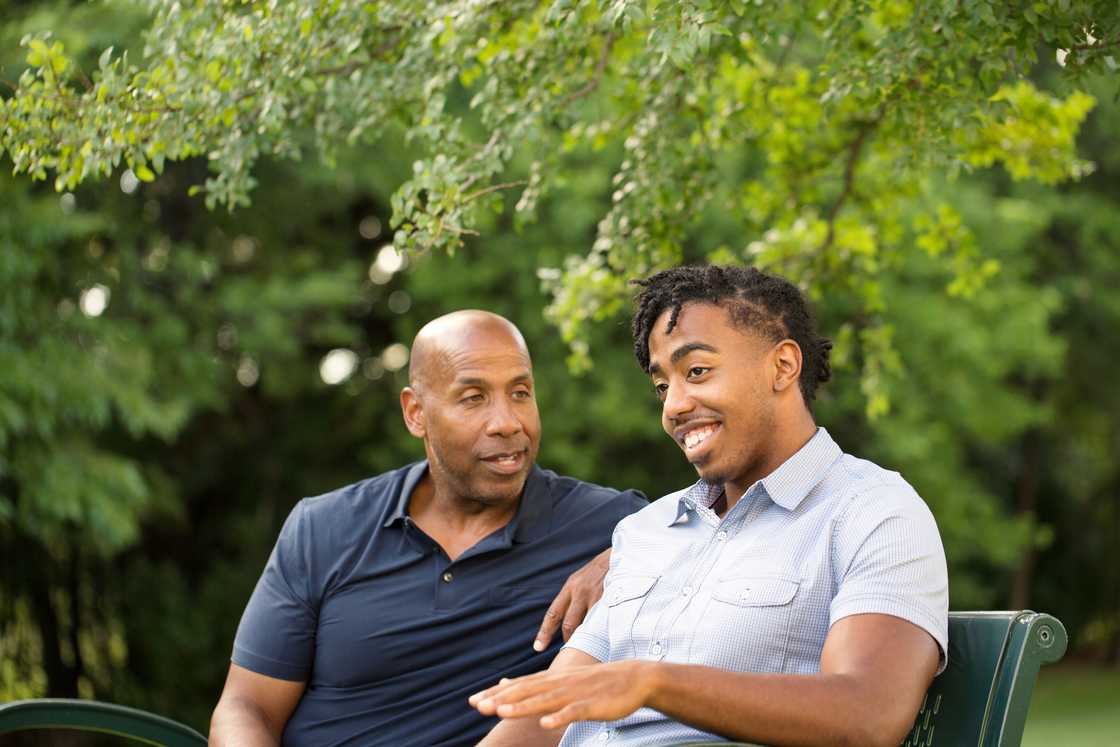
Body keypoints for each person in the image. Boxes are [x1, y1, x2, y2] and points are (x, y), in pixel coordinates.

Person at [472, 265, 949, 747]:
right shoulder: (647, 531)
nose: (673, 406)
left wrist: (652, 683)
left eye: (696, 371)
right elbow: (554, 708)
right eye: (662, 386)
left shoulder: (872, 513)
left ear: (782, 366)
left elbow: (868, 716)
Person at [209, 310, 647, 746]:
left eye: (520, 392)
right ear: (416, 413)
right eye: (473, 397)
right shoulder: (323, 528)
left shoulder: (614, 527)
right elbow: (247, 706)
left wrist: (628, 554)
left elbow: (707, 536)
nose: (507, 422)